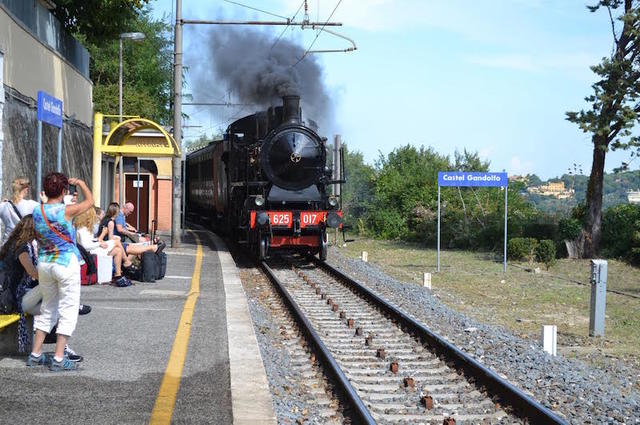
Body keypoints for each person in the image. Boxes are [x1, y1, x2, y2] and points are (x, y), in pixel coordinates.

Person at [29, 172, 93, 371]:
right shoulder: (67, 211)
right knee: (68, 309)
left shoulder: (37, 211)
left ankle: (35, 354)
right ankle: (58, 357)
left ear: (45, 190)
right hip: (65, 263)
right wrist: (81, 183)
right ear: (64, 191)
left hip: (45, 264)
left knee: (47, 308)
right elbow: (90, 202)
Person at [0, 215, 85, 361]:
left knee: (55, 305)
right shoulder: (22, 249)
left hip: (14, 297)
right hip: (15, 300)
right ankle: (63, 348)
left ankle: (61, 346)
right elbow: (32, 272)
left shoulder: (14, 244)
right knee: (56, 291)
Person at [75, 207, 133, 287]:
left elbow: (89, 241)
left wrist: (98, 241)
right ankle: (126, 262)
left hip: (94, 248)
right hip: (91, 252)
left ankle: (118, 274)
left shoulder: (85, 228)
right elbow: (86, 246)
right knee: (116, 242)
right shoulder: (82, 229)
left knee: (118, 250)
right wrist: (99, 243)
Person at [99, 202, 164, 258]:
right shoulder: (112, 221)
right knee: (137, 244)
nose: (130, 213)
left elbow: (122, 226)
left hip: (117, 239)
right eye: (130, 211)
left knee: (138, 241)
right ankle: (151, 245)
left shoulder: (108, 220)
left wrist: (130, 227)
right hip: (120, 238)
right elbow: (119, 230)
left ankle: (152, 245)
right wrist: (130, 233)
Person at [0, 177, 41, 244]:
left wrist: (2, 203)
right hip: (24, 245)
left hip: (7, 245)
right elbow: (48, 211)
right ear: (26, 189)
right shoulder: (31, 205)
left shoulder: (3, 206)